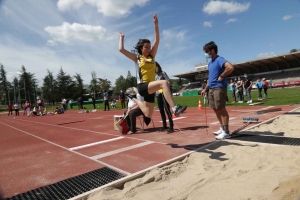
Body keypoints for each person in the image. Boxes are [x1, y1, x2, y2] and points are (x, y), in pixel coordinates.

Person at [118, 14, 186, 120]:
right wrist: (122, 38)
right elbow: (121, 50)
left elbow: (157, 41)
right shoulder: (137, 58)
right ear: (141, 48)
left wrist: (156, 25)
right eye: (146, 47)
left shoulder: (151, 56)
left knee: (148, 114)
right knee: (163, 83)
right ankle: (175, 108)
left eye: (149, 47)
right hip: (143, 86)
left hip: (151, 87)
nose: (149, 49)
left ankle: (134, 98)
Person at [201, 41, 234, 140]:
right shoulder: (210, 63)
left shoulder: (220, 59)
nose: (206, 53)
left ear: (212, 50)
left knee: (221, 109)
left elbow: (230, 67)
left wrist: (222, 75)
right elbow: (210, 78)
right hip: (211, 88)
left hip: (219, 87)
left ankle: (226, 132)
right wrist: (205, 89)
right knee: (216, 109)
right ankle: (222, 127)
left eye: (207, 51)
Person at [155, 62, 174, 133]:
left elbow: (168, 81)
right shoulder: (154, 76)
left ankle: (171, 126)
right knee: (161, 111)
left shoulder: (163, 73)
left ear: (158, 66)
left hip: (164, 94)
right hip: (158, 94)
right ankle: (164, 125)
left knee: (167, 110)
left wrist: (165, 87)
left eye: (156, 67)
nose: (155, 68)